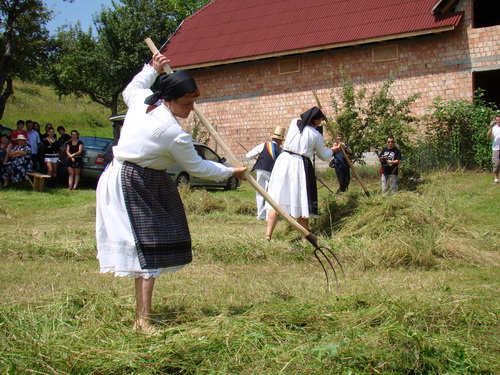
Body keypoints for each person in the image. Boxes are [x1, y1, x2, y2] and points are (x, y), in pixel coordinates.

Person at [96, 52, 247, 333]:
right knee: (147, 249)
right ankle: (143, 320)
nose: (191, 109)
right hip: (133, 182)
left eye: (193, 103)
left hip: (143, 178)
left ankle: (143, 315)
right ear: (168, 99)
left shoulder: (143, 101)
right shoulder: (171, 133)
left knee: (153, 246)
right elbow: (199, 167)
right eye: (186, 103)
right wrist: (230, 172)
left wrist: (151, 69)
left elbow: (132, 88)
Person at [264, 107, 335, 240]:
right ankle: (305, 237)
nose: (321, 122)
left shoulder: (294, 123)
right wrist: (334, 150)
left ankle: (268, 235)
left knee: (277, 197)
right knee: (302, 200)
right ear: (316, 120)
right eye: (320, 120)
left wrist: (319, 115)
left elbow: (303, 119)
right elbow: (324, 156)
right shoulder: (316, 135)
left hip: (283, 162)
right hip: (300, 165)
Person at [245, 126, 286, 220]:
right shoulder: (281, 151)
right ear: (279, 140)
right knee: (270, 194)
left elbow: (248, 156)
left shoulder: (263, 145)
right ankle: (268, 215)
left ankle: (260, 215)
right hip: (270, 173)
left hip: (259, 170)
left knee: (259, 193)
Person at [486, 115, 500, 185]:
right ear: (495, 121)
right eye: (497, 120)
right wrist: (491, 126)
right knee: (496, 165)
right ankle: (496, 179)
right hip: (496, 148)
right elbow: (488, 135)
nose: (498, 121)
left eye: (499, 119)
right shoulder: (494, 128)